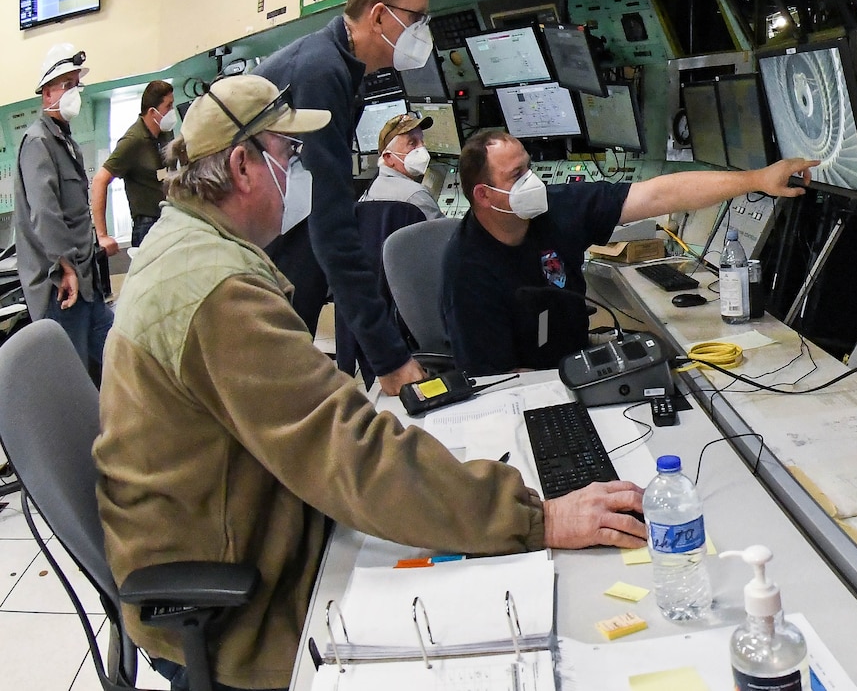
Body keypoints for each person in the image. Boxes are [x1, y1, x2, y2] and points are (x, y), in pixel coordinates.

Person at [95, 75, 645, 691]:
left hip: (247, 517)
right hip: (238, 591)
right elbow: (344, 450)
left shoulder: (190, 247)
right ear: (244, 166)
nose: (299, 171)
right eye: (289, 155)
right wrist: (532, 519)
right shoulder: (214, 288)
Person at [445, 130, 813, 375]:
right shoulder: (467, 268)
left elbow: (657, 195)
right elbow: (494, 380)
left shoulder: (557, 208)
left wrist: (757, 179)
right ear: (484, 195)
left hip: (576, 357)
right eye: (516, 175)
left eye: (529, 167)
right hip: (533, 385)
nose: (532, 181)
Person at [258, 0, 435, 398]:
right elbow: (331, 224)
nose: (422, 31)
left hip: (280, 230)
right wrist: (390, 360)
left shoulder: (337, 64)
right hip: (253, 241)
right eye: (417, 18)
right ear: (379, 16)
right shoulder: (322, 71)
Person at [13, 43, 111, 375]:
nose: (74, 93)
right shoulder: (39, 143)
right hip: (62, 289)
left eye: (75, 85)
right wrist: (65, 267)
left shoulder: (64, 142)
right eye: (66, 85)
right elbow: (46, 214)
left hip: (87, 283)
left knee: (117, 362)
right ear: (46, 94)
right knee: (74, 379)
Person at [335, 112, 440, 377]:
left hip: (384, 310)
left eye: (421, 141)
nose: (421, 150)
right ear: (388, 157)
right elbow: (447, 250)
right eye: (412, 144)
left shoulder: (368, 195)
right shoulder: (415, 196)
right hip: (416, 310)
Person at [90, 79, 178, 254]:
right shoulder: (133, 140)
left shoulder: (165, 133)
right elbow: (100, 180)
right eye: (168, 106)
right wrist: (102, 235)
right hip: (148, 226)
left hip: (171, 217)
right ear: (153, 112)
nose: (172, 111)